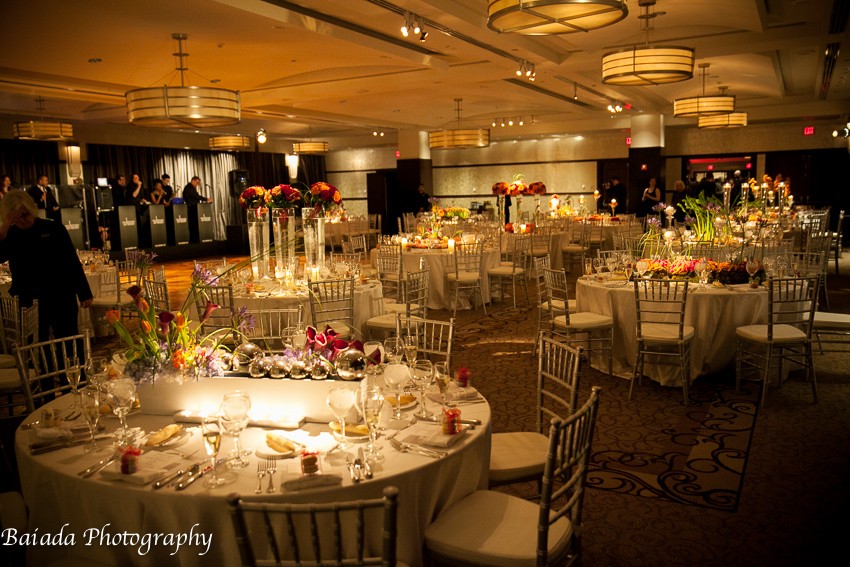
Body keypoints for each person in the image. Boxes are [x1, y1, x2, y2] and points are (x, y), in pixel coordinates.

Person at [0, 191, 93, 341]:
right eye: (16, 219)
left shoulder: (53, 228)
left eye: (25, 215)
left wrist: (84, 292)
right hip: (29, 299)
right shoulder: (11, 235)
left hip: (61, 293)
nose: (23, 221)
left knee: (69, 339)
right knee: (35, 343)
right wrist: (4, 228)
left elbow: (71, 260)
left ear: (31, 209)